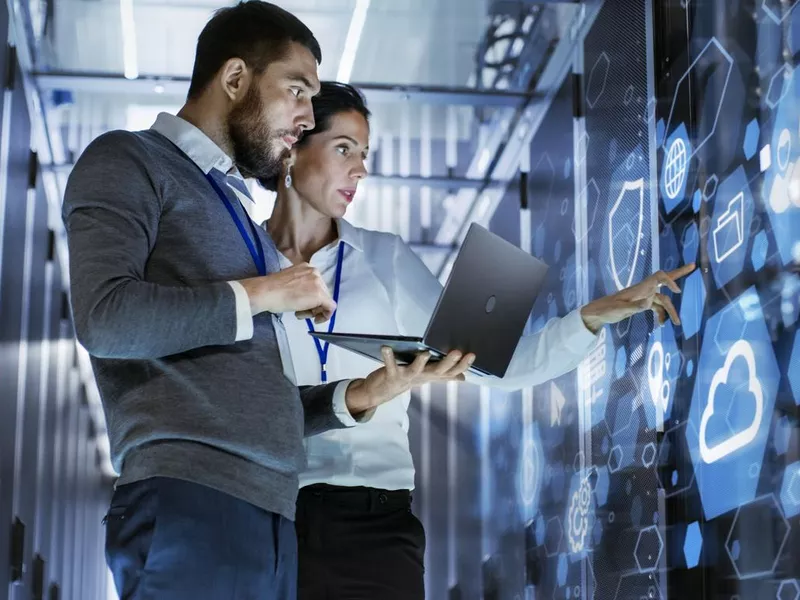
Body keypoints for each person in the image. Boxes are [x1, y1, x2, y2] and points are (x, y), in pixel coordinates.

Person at [62, 5, 472, 599]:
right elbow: (105, 318)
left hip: (271, 517)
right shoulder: (129, 159)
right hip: (190, 501)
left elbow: (257, 400)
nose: (305, 117)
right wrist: (265, 292)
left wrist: (361, 395)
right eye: (297, 91)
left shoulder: (236, 214)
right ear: (235, 79)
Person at [259, 81, 696, 599]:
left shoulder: (384, 258)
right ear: (293, 147)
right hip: (271, 517)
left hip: (376, 524)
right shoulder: (244, 267)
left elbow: (499, 365)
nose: (360, 170)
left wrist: (595, 315)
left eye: (365, 154)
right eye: (343, 149)